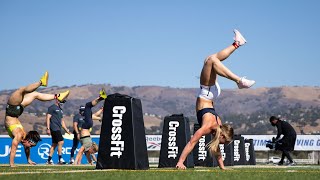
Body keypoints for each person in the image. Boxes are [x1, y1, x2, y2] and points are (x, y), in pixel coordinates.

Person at [176, 29, 255, 170]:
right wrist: (180, 162)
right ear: (222, 136)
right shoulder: (208, 127)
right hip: (207, 92)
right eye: (224, 142)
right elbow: (191, 143)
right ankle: (239, 80)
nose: (222, 144)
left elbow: (217, 152)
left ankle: (237, 44)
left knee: (210, 59)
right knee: (212, 60)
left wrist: (222, 168)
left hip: (211, 93)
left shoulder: (218, 126)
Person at [4, 72, 70, 167]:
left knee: (34, 94)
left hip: (15, 111)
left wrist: (29, 160)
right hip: (12, 109)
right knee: (22, 90)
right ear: (28, 141)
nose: (29, 148)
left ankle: (56, 96)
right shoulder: (19, 135)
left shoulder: (23, 137)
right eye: (30, 146)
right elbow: (13, 149)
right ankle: (43, 84)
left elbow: (25, 148)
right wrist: (12, 164)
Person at [74, 89, 106, 165]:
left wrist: (74, 163)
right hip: (87, 127)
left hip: (86, 127)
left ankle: (100, 98)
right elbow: (94, 115)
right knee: (88, 106)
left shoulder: (88, 145)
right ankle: (100, 98)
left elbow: (80, 151)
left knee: (88, 105)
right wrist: (101, 111)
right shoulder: (88, 146)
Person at [46, 98, 71, 165]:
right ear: (57, 100)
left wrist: (67, 130)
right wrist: (48, 128)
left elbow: (62, 121)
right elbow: (48, 117)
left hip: (58, 128)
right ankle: (60, 159)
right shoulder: (52, 108)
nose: (62, 103)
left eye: (63, 102)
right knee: (61, 141)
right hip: (54, 128)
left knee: (54, 144)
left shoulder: (60, 110)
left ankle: (49, 160)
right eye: (62, 101)